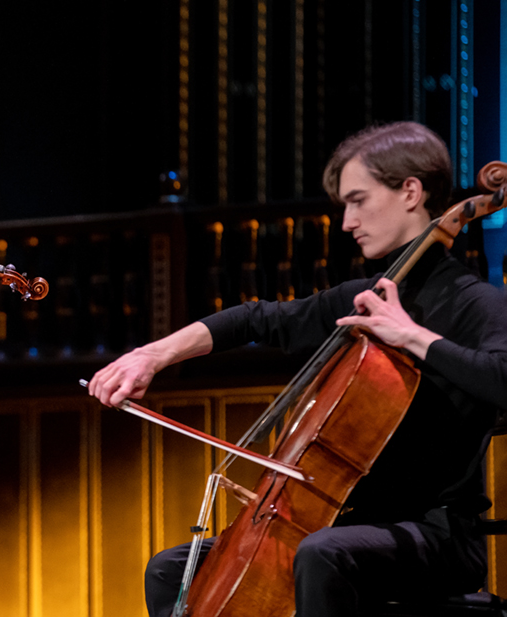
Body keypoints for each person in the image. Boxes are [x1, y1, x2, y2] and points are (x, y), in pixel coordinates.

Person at [88, 121, 507, 617]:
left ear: (410, 192)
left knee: (321, 554)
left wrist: (412, 336)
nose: (347, 221)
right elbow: (253, 318)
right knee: (171, 569)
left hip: (436, 536)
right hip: (343, 525)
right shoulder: (364, 297)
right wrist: (151, 355)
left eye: (358, 200)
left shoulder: (476, 303)